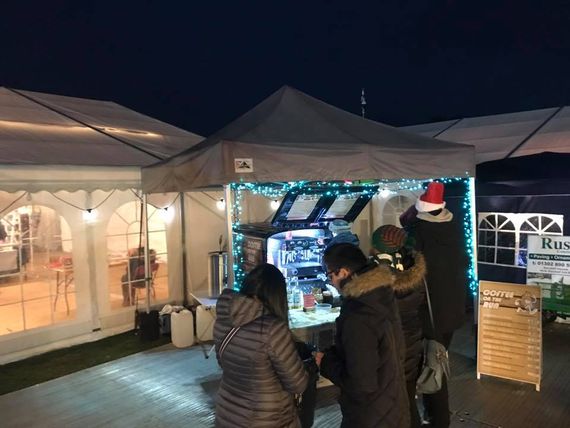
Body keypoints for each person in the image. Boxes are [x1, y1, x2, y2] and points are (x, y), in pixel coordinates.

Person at [317, 243, 410, 428]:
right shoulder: (380, 295)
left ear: (343, 273)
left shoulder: (358, 315)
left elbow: (361, 383)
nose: (331, 282)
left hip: (370, 416)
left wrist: (325, 363)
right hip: (393, 404)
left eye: (330, 275)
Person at [400, 182, 467, 428]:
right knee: (437, 360)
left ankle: (436, 418)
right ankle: (435, 416)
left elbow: (410, 272)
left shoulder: (418, 233)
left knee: (430, 365)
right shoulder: (454, 228)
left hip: (428, 313)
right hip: (453, 311)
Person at [213, 263, 308, 428]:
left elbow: (224, 363)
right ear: (277, 295)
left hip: (228, 414)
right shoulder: (272, 329)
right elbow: (297, 384)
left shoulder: (225, 320)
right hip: (267, 419)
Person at [371, 225, 427, 428]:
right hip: (412, 346)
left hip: (392, 352)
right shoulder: (414, 275)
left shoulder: (381, 285)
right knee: (408, 400)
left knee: (395, 407)